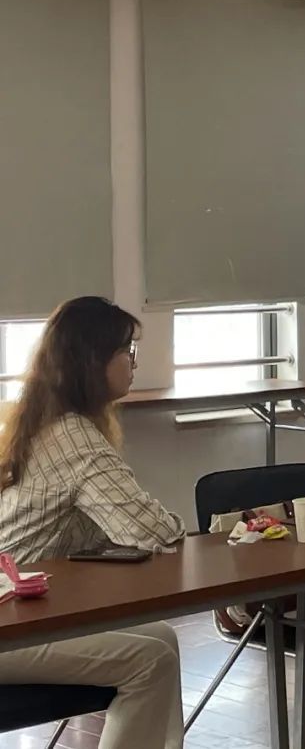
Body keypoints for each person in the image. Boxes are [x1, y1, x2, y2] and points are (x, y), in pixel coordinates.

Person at [0, 296, 187, 749]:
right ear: (92, 361)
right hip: (11, 626)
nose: (134, 363)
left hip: (24, 613)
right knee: (151, 661)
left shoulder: (44, 421)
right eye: (126, 351)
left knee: (162, 637)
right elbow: (153, 533)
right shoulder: (73, 437)